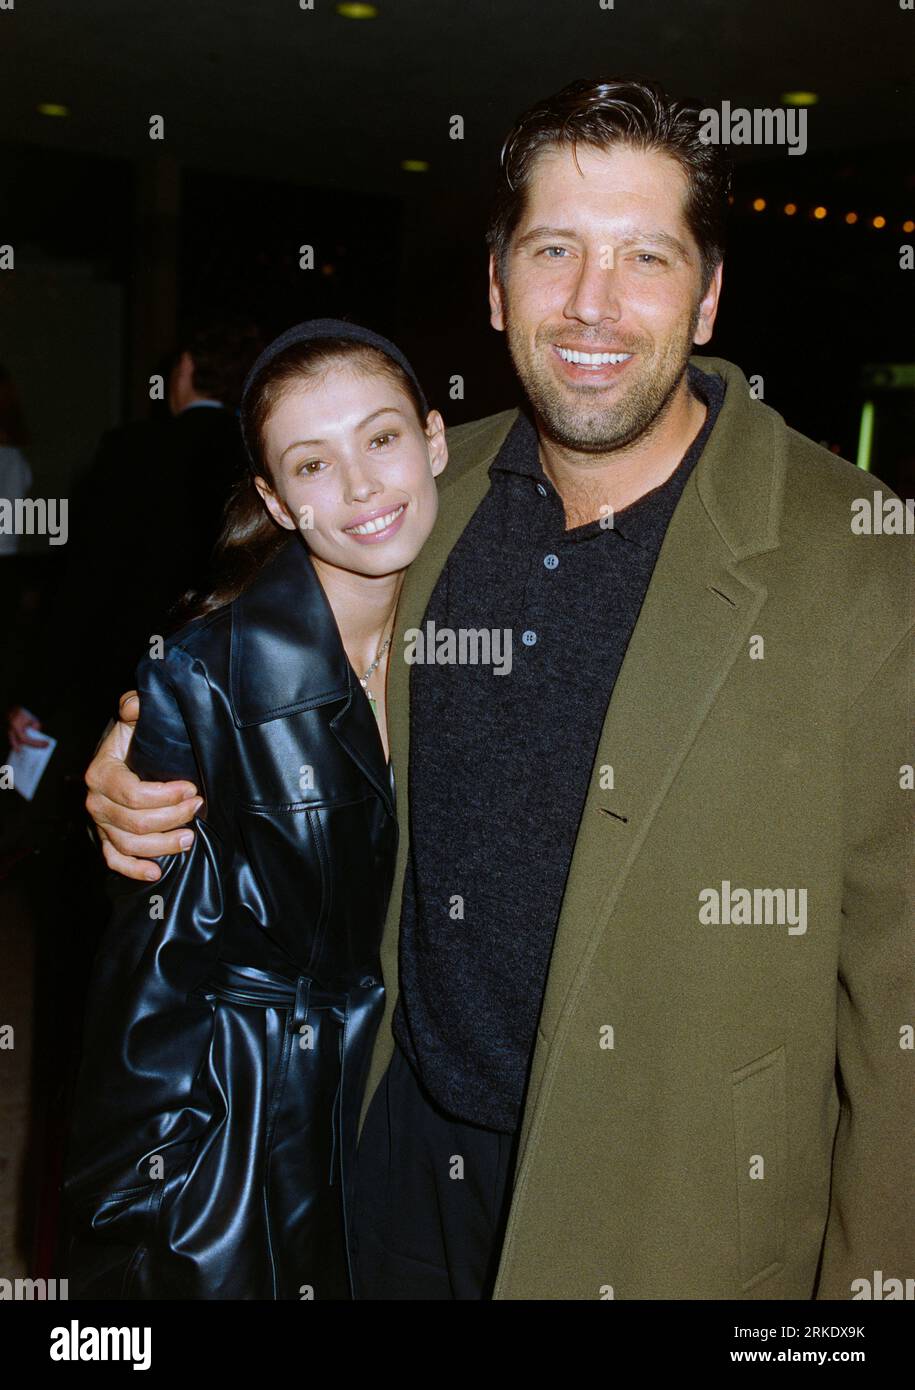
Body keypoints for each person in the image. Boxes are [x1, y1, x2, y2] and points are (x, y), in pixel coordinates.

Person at [83, 78, 913, 1301]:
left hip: (676, 1218)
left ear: (710, 292)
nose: (592, 302)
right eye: (555, 250)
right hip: (396, 1156)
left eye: (645, 255)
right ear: (495, 283)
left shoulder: (863, 555)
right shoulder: (419, 489)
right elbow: (256, 662)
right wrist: (144, 768)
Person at [63, 319, 447, 1299]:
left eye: (383, 438)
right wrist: (141, 1233)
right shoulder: (206, 678)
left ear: (436, 441)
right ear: (276, 500)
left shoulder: (482, 638)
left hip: (425, 1109)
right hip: (263, 1130)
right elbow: (148, 1002)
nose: (360, 487)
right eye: (313, 463)